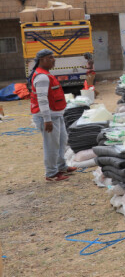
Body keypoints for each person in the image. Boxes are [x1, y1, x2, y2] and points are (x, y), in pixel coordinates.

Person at [30, 49, 76, 182]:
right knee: (51, 145)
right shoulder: (42, 77)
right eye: (50, 58)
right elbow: (42, 99)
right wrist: (47, 119)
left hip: (56, 115)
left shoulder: (46, 74)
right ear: (42, 60)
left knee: (62, 141)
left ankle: (61, 166)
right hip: (48, 117)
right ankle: (51, 173)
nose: (53, 60)